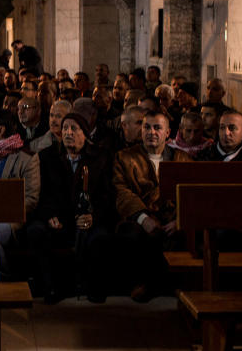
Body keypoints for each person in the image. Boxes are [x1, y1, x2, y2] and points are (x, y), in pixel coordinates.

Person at [28, 109, 116, 303]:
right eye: (65, 128)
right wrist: (49, 215)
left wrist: (93, 216)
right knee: (36, 231)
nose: (68, 133)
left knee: (100, 238)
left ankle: (94, 287)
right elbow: (42, 194)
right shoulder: (47, 157)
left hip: (88, 217)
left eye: (74, 129)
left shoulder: (100, 158)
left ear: (84, 134)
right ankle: (50, 287)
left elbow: (107, 195)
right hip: (59, 217)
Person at [113, 111, 192, 302]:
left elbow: (192, 193)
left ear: (167, 133)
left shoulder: (182, 159)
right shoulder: (124, 157)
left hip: (172, 219)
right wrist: (143, 218)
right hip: (139, 217)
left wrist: (179, 220)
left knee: (185, 235)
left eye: (157, 128)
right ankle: (144, 284)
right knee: (132, 234)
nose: (151, 132)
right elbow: (121, 190)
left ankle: (177, 287)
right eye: (147, 127)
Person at [0, 111, 41, 279]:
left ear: (0, 130)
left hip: (10, 219)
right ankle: (4, 277)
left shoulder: (27, 159)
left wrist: (9, 211)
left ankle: (3, 278)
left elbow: (31, 198)